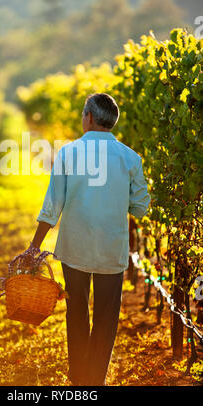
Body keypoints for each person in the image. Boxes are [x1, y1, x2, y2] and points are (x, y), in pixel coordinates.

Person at [28, 93, 151, 386]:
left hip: (75, 248)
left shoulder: (68, 153)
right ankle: (95, 380)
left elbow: (51, 206)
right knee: (107, 318)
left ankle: (78, 378)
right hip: (111, 250)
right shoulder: (130, 158)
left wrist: (34, 246)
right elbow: (141, 206)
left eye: (84, 114)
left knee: (77, 312)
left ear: (90, 118)